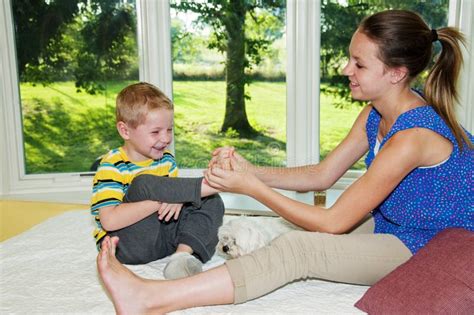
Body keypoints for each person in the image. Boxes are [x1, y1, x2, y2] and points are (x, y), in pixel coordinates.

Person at [96, 10, 473, 314]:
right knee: (296, 235)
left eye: (358, 64)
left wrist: (252, 188)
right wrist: (249, 170)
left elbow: (333, 220)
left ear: (396, 73)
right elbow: (322, 175)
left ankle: (151, 299)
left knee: (300, 248)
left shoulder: (412, 137)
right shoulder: (378, 112)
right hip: (403, 224)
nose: (345, 69)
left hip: (434, 245)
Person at [91, 82, 225, 280]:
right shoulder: (112, 165)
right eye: (155, 132)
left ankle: (181, 256)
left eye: (169, 130)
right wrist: (160, 201)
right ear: (125, 131)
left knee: (211, 199)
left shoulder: (167, 160)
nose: (166, 138)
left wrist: (177, 199)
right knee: (144, 183)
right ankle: (206, 184)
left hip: (165, 240)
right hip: (126, 244)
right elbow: (109, 221)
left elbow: (173, 200)